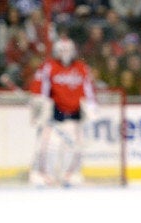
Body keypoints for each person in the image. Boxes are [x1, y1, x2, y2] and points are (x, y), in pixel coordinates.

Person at [28, 36, 98, 187]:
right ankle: (43, 175)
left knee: (74, 147)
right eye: (62, 50)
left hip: (75, 115)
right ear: (56, 51)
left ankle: (70, 175)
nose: (65, 53)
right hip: (54, 115)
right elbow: (40, 91)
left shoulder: (81, 68)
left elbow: (89, 90)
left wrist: (91, 108)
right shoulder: (49, 67)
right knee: (47, 146)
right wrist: (40, 109)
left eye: (68, 50)